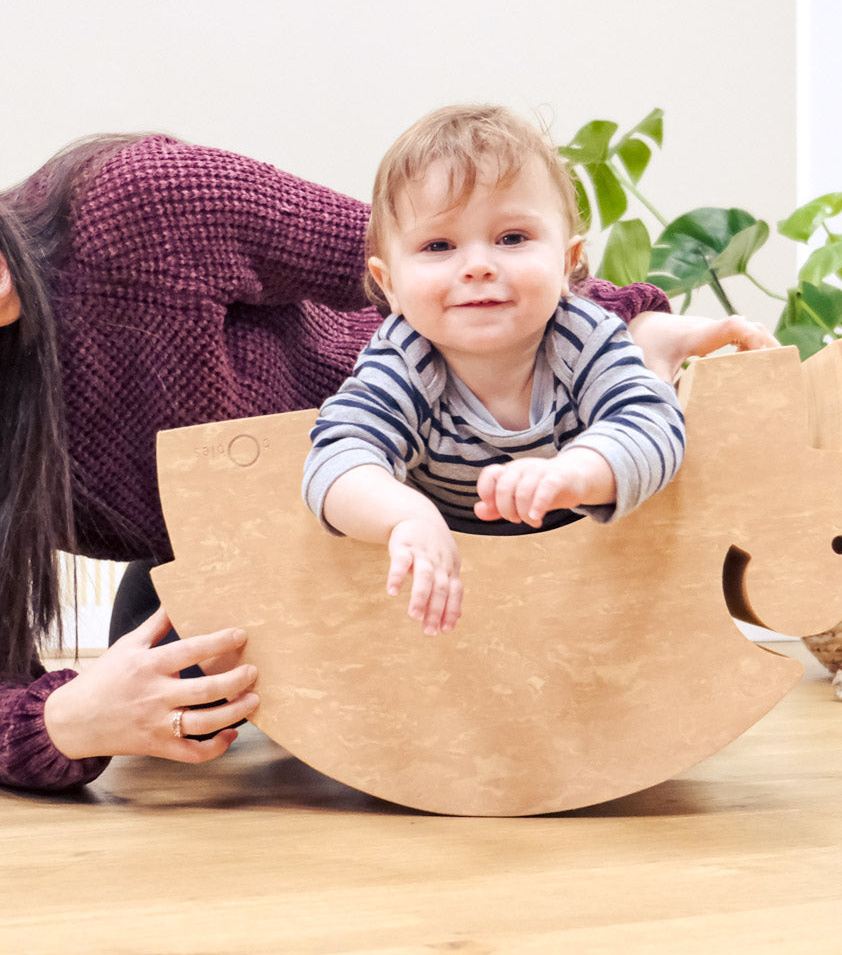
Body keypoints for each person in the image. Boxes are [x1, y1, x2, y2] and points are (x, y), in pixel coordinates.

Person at [0, 128, 775, 794]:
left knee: (576, 478)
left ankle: (628, 369)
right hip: (268, 527)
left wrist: (616, 328)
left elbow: (434, 253)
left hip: (437, 441)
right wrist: (66, 721)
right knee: (189, 695)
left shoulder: (137, 207)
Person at [304, 106, 687, 635]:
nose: (478, 265)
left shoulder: (583, 336)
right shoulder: (404, 359)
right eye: (438, 245)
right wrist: (404, 516)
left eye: (512, 238)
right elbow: (338, 458)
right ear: (388, 284)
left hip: (596, 585)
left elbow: (653, 425)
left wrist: (573, 473)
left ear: (567, 261)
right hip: (455, 600)